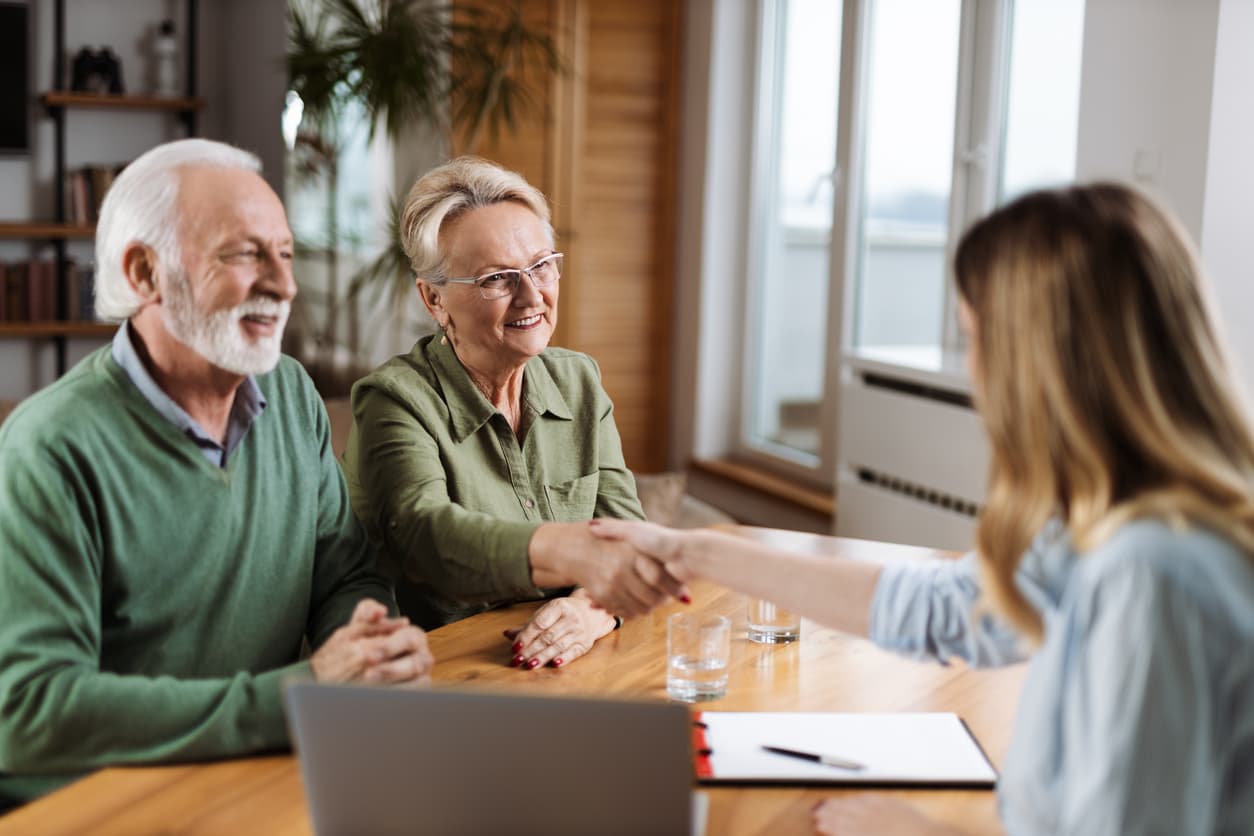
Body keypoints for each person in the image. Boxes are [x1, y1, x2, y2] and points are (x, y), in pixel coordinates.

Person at [591, 183, 1254, 835]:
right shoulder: (1114, 522)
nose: (974, 373)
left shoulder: (1153, 571)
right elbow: (944, 606)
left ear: (1040, 363)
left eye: (975, 340)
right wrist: (695, 550)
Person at [0, 139, 433, 810]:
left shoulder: (290, 394)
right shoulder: (47, 448)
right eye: (244, 254)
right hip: (93, 807)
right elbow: (30, 710)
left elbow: (343, 574)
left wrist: (368, 649)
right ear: (145, 273)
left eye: (285, 254)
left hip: (252, 778)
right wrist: (298, 696)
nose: (284, 286)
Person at [342, 156, 684, 670]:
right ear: (435, 299)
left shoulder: (579, 382)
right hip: (444, 674)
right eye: (497, 278)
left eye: (541, 265)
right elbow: (428, 540)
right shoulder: (393, 399)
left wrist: (591, 611)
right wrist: (570, 551)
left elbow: (628, 538)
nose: (532, 295)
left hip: (574, 662)